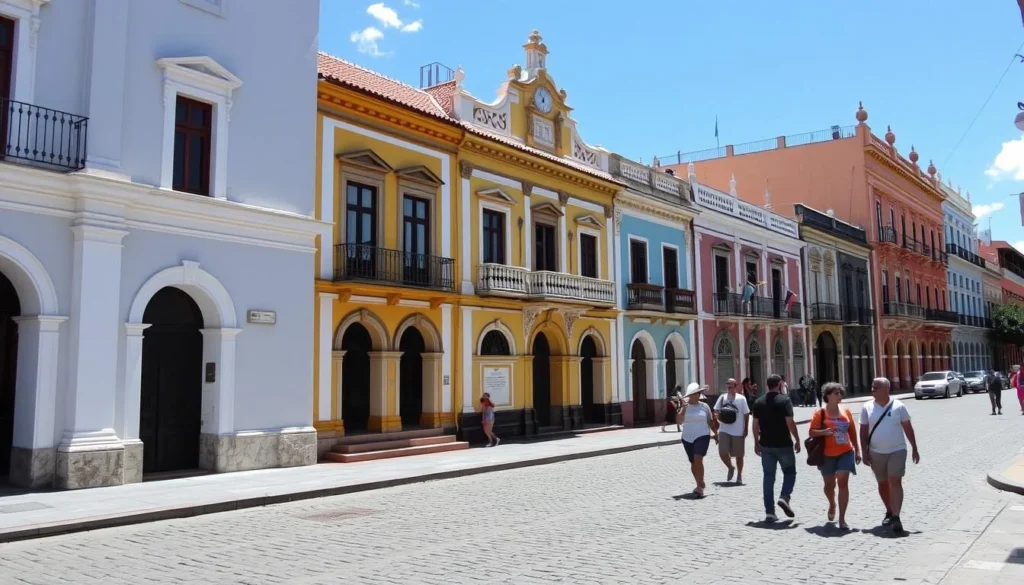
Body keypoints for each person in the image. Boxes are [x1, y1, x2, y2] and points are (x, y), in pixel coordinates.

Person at [860, 377, 919, 534]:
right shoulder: (867, 407)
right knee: (883, 483)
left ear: (887, 389)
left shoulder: (899, 406)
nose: (873, 389)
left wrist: (914, 447)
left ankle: (896, 516)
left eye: (876, 387)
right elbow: (863, 430)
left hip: (897, 450)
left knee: (895, 481)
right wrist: (863, 450)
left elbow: (908, 427)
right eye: (872, 387)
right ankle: (889, 510)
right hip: (876, 451)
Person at [808, 383, 861, 530]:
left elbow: (852, 432)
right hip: (827, 454)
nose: (839, 396)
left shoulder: (846, 411)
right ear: (828, 396)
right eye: (836, 393)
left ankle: (842, 519)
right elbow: (812, 432)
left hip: (846, 451)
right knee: (829, 485)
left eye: (840, 393)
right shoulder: (820, 413)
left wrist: (857, 450)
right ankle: (832, 503)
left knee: (843, 482)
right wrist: (824, 432)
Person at [751, 374, 801, 522]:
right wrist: (797, 438)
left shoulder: (759, 402)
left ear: (767, 385)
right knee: (790, 472)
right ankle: (785, 496)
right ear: (780, 384)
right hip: (784, 444)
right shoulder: (785, 400)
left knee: (768, 478)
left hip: (766, 445)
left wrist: (755, 441)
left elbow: (755, 425)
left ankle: (770, 512)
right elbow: (790, 422)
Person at [679, 382, 718, 497]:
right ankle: (699, 482)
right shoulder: (684, 407)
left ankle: (699, 488)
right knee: (693, 462)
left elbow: (710, 422)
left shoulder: (704, 407)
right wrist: (683, 409)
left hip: (702, 435)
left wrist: (716, 433)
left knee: (698, 459)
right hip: (687, 437)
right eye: (694, 394)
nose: (697, 395)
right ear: (689, 395)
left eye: (698, 393)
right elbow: (678, 421)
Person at [714, 378, 750, 484]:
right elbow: (716, 410)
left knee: (739, 455)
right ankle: (730, 467)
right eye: (727, 384)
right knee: (722, 452)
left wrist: (746, 428)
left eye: (731, 384)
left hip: (738, 430)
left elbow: (746, 414)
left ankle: (739, 476)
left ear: (736, 385)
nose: (729, 386)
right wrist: (718, 416)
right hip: (724, 429)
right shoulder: (722, 398)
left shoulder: (741, 399)